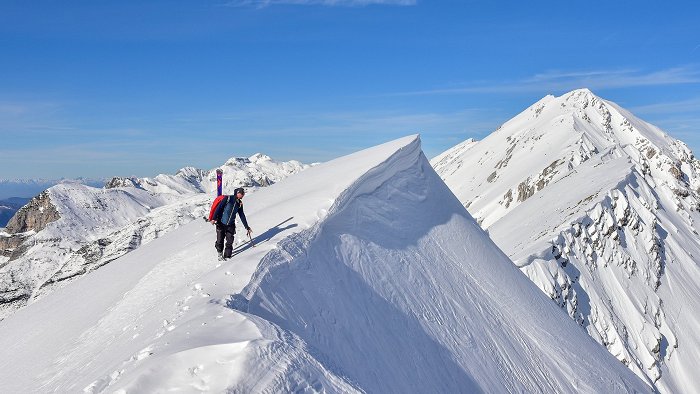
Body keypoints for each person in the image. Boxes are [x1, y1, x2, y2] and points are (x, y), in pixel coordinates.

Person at [211, 187, 252, 260]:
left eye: (244, 193)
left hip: (231, 224)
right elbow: (219, 208)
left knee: (230, 241)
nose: (243, 195)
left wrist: (247, 227)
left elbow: (242, 215)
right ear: (238, 193)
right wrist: (214, 218)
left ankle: (227, 257)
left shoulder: (239, 203)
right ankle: (220, 253)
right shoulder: (228, 199)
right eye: (242, 193)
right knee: (220, 240)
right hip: (221, 223)